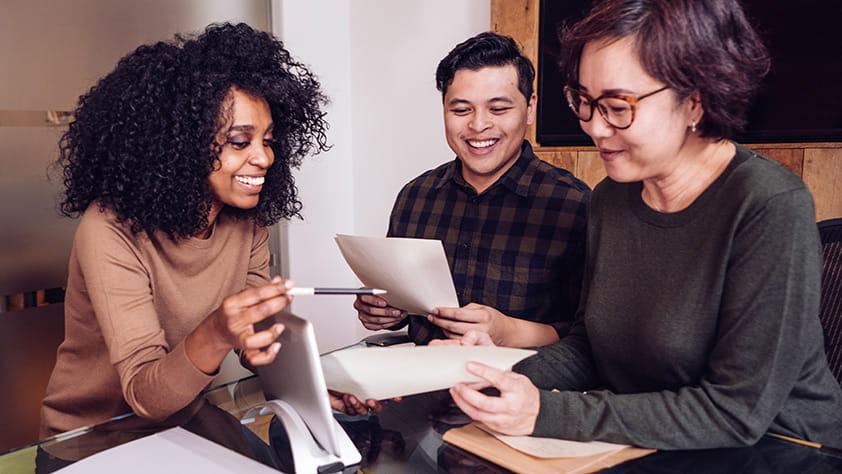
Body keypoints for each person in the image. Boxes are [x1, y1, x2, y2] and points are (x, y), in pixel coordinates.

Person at [439, 0, 842, 449]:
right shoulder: (612, 198)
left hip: (783, 450)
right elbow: (590, 348)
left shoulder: (768, 204)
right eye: (584, 102)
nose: (594, 127)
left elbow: (736, 411)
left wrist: (546, 412)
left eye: (616, 105)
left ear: (696, 100)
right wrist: (493, 370)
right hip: (649, 443)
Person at [39, 23, 329, 442]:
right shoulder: (108, 229)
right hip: (90, 438)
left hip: (185, 419)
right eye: (238, 141)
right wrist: (216, 331)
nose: (263, 157)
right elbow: (144, 395)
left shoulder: (247, 220)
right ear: (182, 143)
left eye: (267, 140)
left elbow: (256, 341)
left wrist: (321, 391)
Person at [354, 32, 590, 348]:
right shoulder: (415, 197)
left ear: (530, 108)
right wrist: (385, 312)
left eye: (498, 109)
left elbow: (588, 337)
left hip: (524, 386)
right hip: (418, 381)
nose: (478, 126)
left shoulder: (574, 205)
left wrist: (510, 332)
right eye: (462, 110)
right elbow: (401, 301)